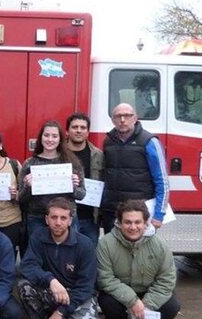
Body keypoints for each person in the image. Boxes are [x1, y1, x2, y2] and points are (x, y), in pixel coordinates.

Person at [17, 197, 99, 319]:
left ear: (70, 220)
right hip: (53, 290)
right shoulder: (38, 236)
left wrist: (60, 312)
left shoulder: (85, 245)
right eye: (54, 217)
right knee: (24, 285)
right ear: (47, 219)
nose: (58, 222)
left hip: (77, 294)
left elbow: (86, 287)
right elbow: (27, 266)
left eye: (63, 218)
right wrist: (51, 280)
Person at [96, 199, 180, 319]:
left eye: (138, 222)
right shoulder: (106, 243)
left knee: (172, 306)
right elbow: (105, 278)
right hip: (120, 293)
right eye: (128, 222)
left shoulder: (160, 245)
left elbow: (166, 280)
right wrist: (133, 301)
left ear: (146, 223)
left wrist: (147, 305)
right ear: (119, 223)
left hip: (147, 291)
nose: (133, 227)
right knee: (107, 301)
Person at [101, 103, 169, 232]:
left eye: (127, 115)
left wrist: (159, 215)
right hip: (112, 213)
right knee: (112, 251)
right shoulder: (108, 142)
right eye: (118, 116)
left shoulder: (149, 142)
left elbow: (162, 181)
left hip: (138, 216)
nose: (122, 120)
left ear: (135, 118)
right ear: (112, 120)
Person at [18, 120, 86, 241]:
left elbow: (81, 195)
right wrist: (28, 187)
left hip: (66, 218)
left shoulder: (71, 162)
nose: (50, 139)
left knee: (68, 254)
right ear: (41, 138)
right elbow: (21, 199)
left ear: (60, 139)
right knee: (39, 255)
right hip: (37, 218)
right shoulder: (29, 163)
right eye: (46, 135)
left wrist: (73, 187)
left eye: (54, 136)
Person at [65, 112, 103, 246]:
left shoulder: (98, 155)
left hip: (89, 218)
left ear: (88, 132)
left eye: (83, 127)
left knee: (89, 258)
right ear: (67, 131)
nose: (79, 130)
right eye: (75, 127)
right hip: (64, 217)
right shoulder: (58, 153)